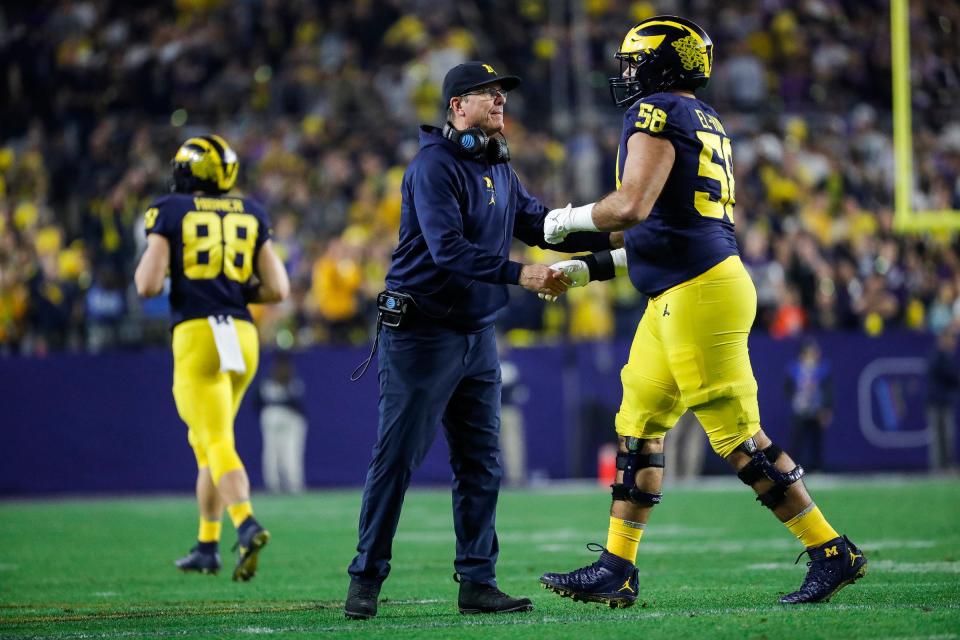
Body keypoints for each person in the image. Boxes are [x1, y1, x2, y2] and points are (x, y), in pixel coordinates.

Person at [536, 16, 866, 607]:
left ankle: (830, 550)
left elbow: (631, 207)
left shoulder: (654, 112)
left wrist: (562, 222)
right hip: (681, 287)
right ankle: (618, 565)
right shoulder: (701, 118)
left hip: (699, 290)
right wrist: (587, 269)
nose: (628, 74)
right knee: (638, 426)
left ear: (665, 64)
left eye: (635, 61)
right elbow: (664, 232)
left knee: (737, 436)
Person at [344, 61, 621, 620]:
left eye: (502, 94)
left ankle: (477, 582)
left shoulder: (498, 165)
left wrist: (620, 228)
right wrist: (522, 275)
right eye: (486, 94)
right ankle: (365, 579)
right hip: (422, 335)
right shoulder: (434, 166)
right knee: (397, 460)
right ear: (455, 107)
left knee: (481, 465)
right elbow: (447, 250)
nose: (499, 101)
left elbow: (542, 225)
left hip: (476, 335)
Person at [134, 134, 290, 581]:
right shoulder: (251, 211)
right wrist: (234, 289)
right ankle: (207, 543)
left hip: (199, 334)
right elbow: (278, 289)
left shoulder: (171, 209)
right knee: (209, 445)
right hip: (242, 335)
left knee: (217, 440)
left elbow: (147, 284)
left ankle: (245, 523)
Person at [255, 350, 308, 493]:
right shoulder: (267, 380)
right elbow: (256, 402)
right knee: (272, 454)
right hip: (273, 419)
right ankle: (274, 486)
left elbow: (299, 404)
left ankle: (293, 485)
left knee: (290, 454)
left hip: (290, 420)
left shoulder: (293, 380)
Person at [784, 339, 833, 472]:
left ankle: (817, 467)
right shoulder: (794, 368)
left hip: (816, 409)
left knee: (816, 441)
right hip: (800, 409)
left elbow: (828, 390)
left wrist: (826, 408)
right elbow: (787, 389)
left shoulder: (822, 368)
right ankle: (792, 468)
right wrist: (796, 398)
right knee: (796, 441)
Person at [926, 329, 959, 472]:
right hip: (937, 402)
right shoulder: (939, 356)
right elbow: (951, 375)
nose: (954, 343)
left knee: (945, 436)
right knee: (940, 436)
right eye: (951, 339)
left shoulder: (945, 356)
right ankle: (939, 467)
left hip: (942, 402)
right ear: (943, 339)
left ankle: (944, 465)